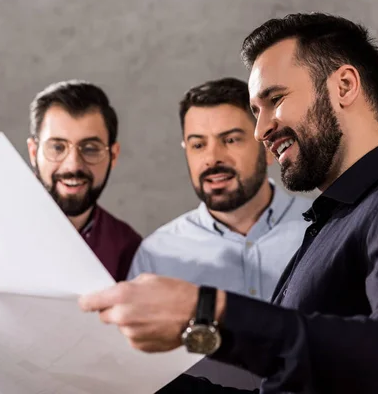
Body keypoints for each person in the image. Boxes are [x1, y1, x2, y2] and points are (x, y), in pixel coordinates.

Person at [79, 13, 378, 394]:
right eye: (256, 110)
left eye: (275, 99)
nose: (260, 130)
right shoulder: (335, 219)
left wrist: (207, 311)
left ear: (344, 86)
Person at [0, 80, 142, 394]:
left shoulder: (132, 251)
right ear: (33, 151)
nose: (73, 164)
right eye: (57, 146)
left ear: (114, 154)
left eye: (90, 148)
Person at [127, 77, 313, 389]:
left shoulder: (322, 227)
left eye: (231, 140)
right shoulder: (156, 255)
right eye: (199, 144)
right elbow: (141, 375)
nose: (213, 158)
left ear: (267, 147)